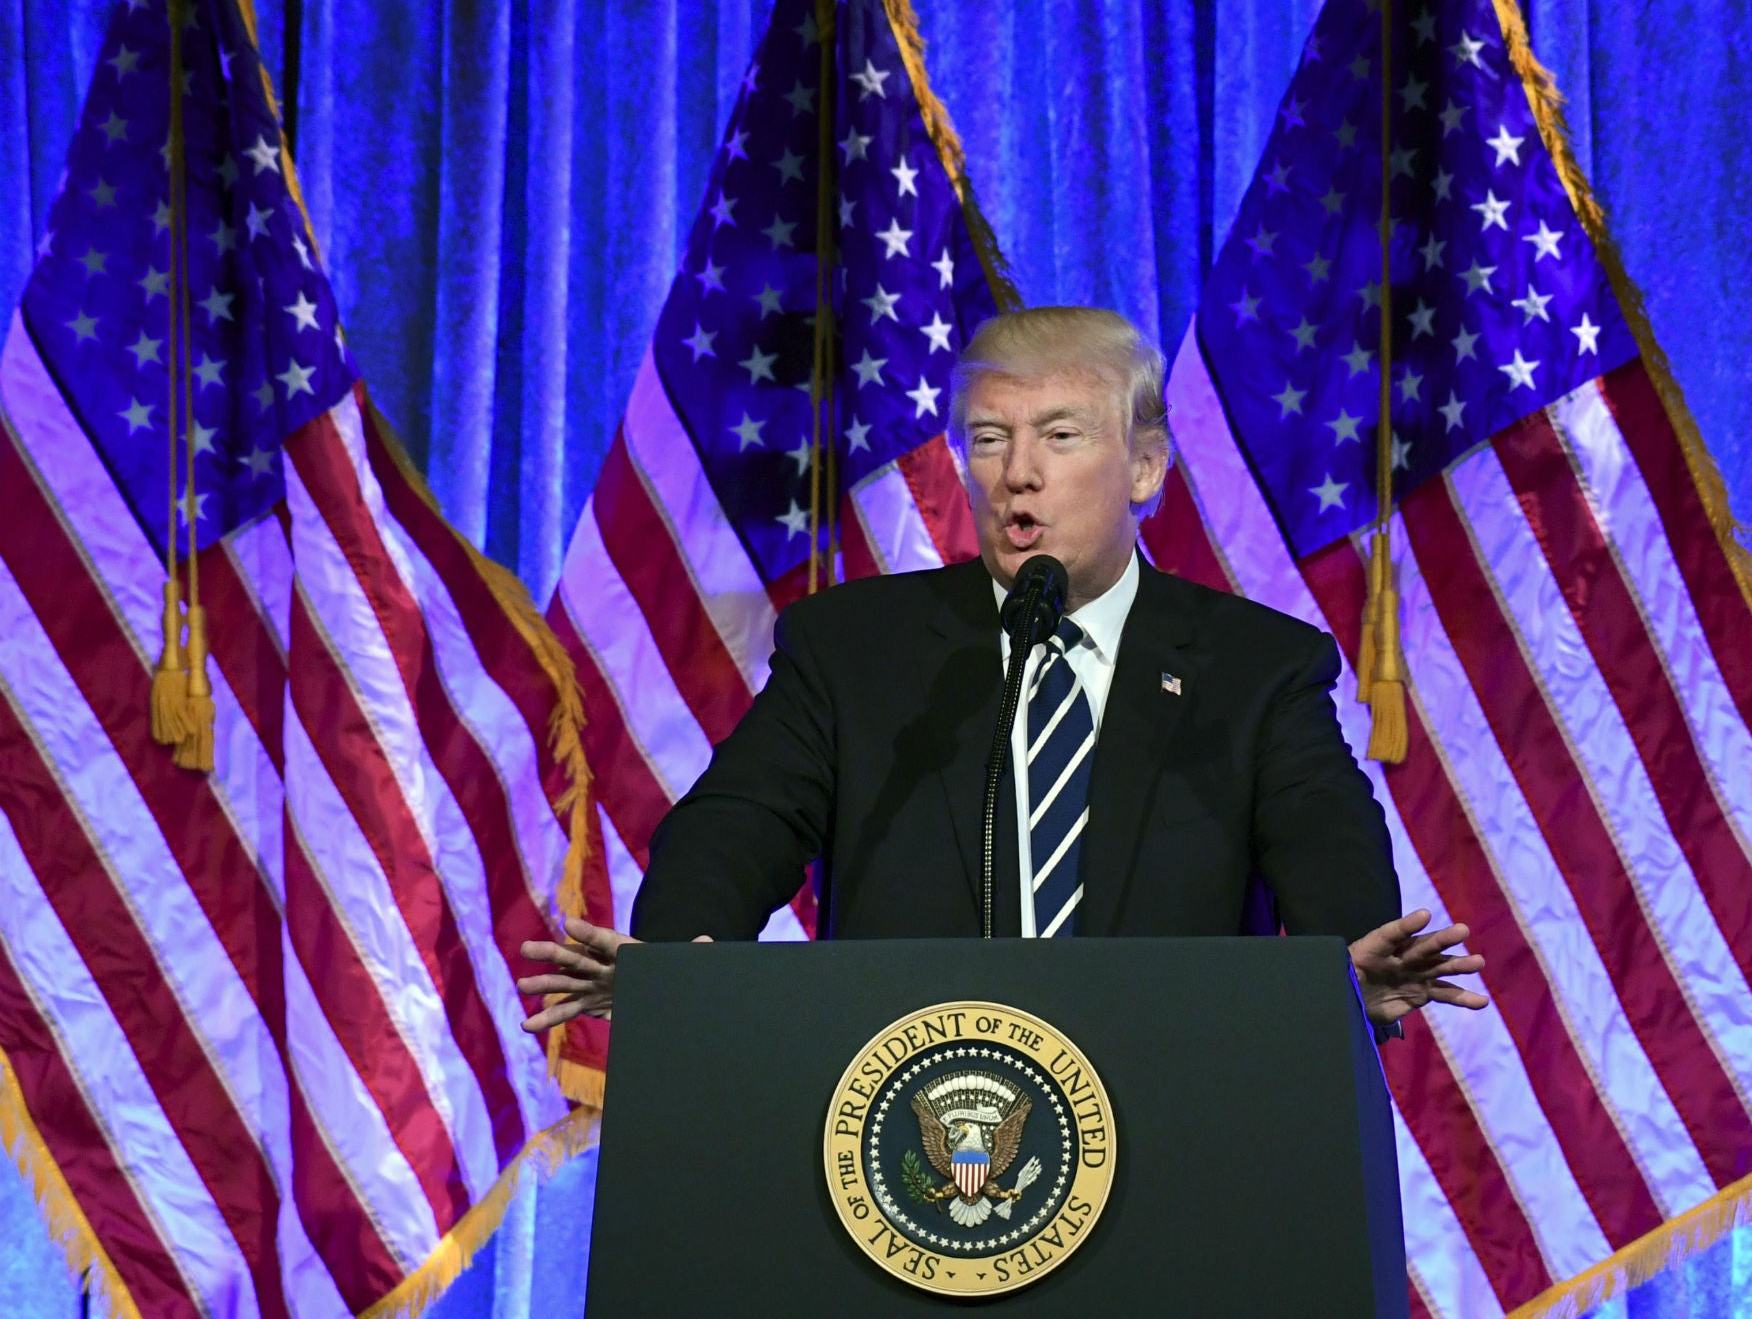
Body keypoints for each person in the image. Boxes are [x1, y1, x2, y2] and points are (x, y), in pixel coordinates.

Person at [520, 306, 1485, 1036]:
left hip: (1172, 1127)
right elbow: (735, 827)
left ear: (1146, 468)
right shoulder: (855, 650)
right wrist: (686, 953)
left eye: (1061, 437)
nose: (1018, 472)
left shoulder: (1255, 669)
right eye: (990, 439)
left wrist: (1350, 979)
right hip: (903, 1137)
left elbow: (1331, 873)